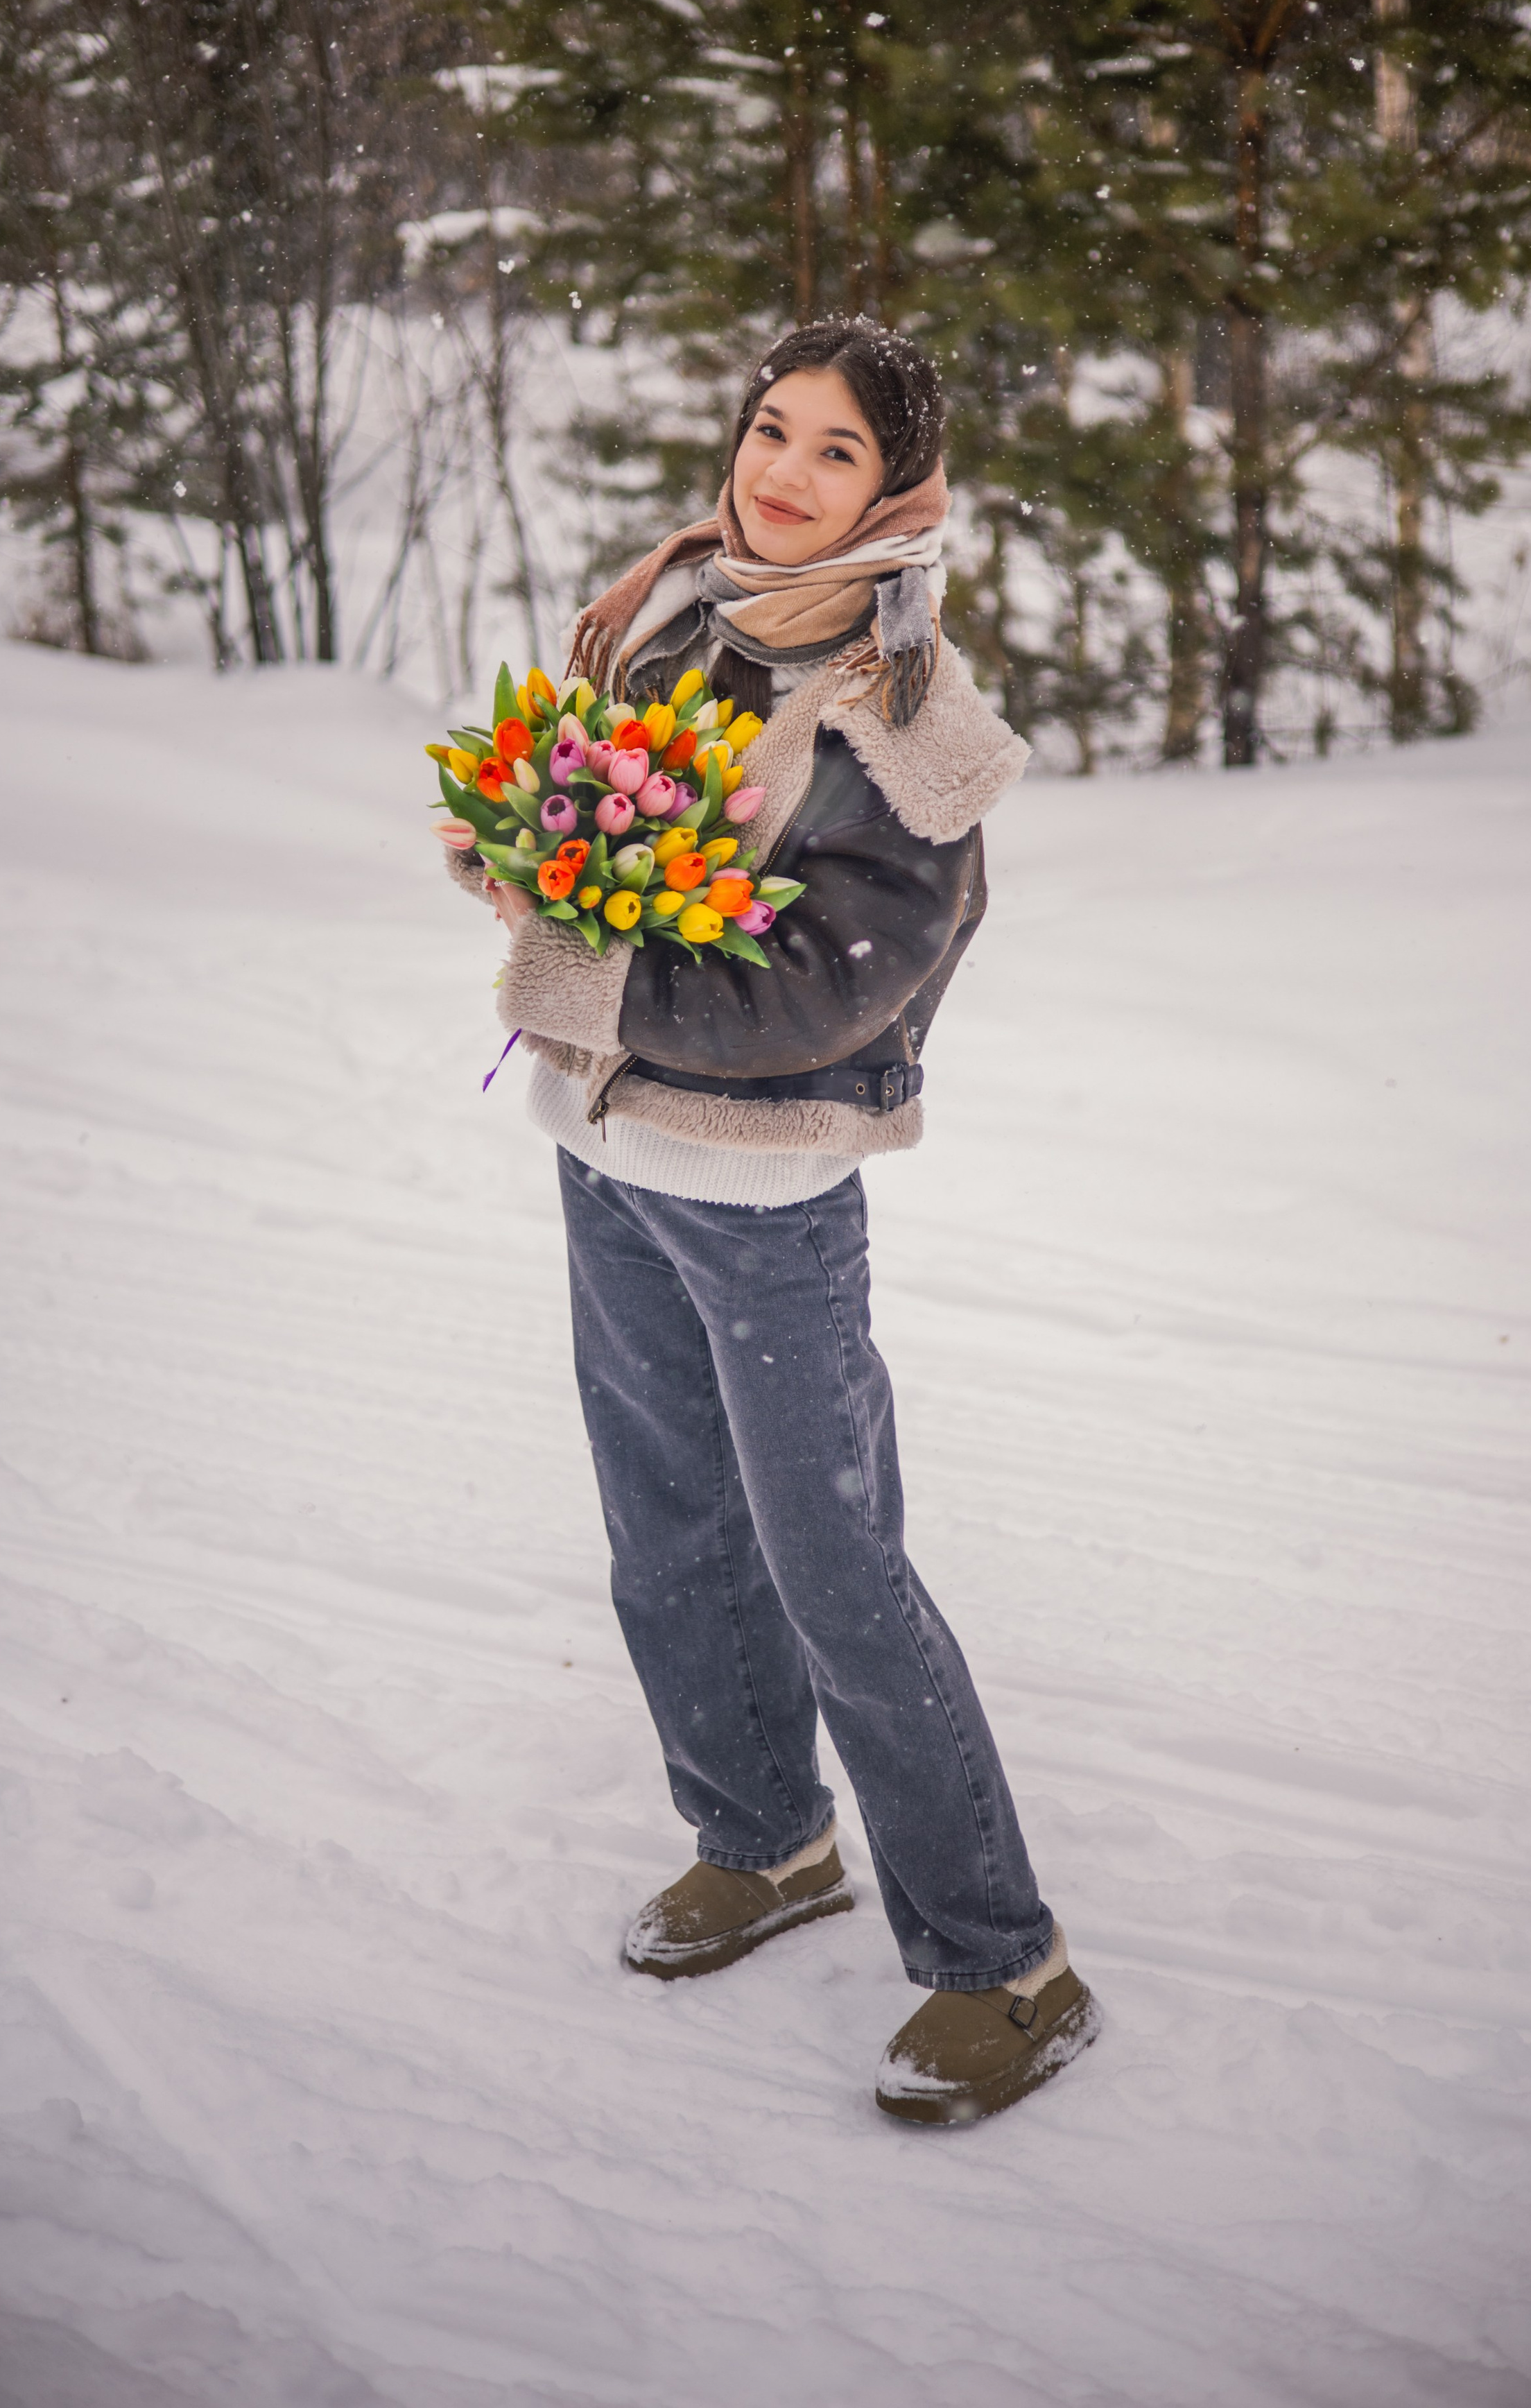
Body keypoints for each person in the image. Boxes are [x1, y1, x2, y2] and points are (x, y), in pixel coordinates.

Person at [442, 316, 1098, 2125]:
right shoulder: (674, 615)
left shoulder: (907, 726)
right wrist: (526, 846)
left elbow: (819, 996)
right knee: (666, 1530)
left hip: (761, 1192)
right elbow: (595, 828)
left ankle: (1001, 1961)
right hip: (603, 1148)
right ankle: (763, 1837)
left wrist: (589, 940)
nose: (782, 473)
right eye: (770, 429)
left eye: (834, 453)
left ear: (901, 495)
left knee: (837, 1573)